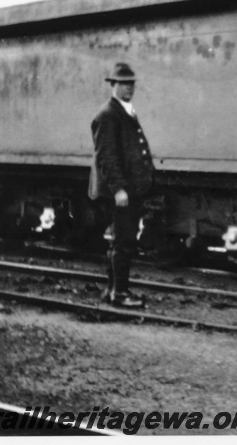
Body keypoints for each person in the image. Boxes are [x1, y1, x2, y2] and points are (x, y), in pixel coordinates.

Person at [88, 62, 154, 308]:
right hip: (121, 191)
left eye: (131, 83)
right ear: (113, 85)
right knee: (124, 241)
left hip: (127, 189)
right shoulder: (109, 114)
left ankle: (113, 290)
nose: (129, 88)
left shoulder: (123, 110)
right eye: (123, 83)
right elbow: (106, 157)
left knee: (120, 240)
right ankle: (121, 294)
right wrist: (119, 189)